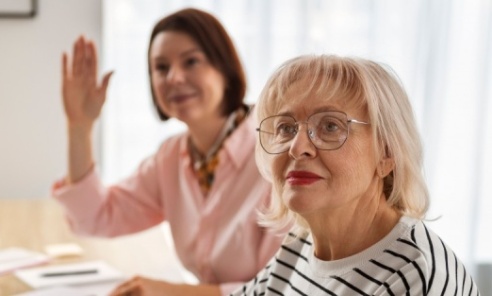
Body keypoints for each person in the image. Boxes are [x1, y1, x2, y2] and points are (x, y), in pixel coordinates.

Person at [52, 8, 283, 296]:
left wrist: (172, 292)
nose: (173, 77)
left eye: (191, 62)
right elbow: (97, 217)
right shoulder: (172, 157)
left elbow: (280, 288)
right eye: (161, 68)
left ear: (224, 68)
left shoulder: (278, 155)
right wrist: (80, 126)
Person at [230, 55, 481, 295]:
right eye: (286, 128)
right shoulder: (300, 244)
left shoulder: (415, 274)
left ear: (387, 154)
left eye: (330, 126)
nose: (297, 148)